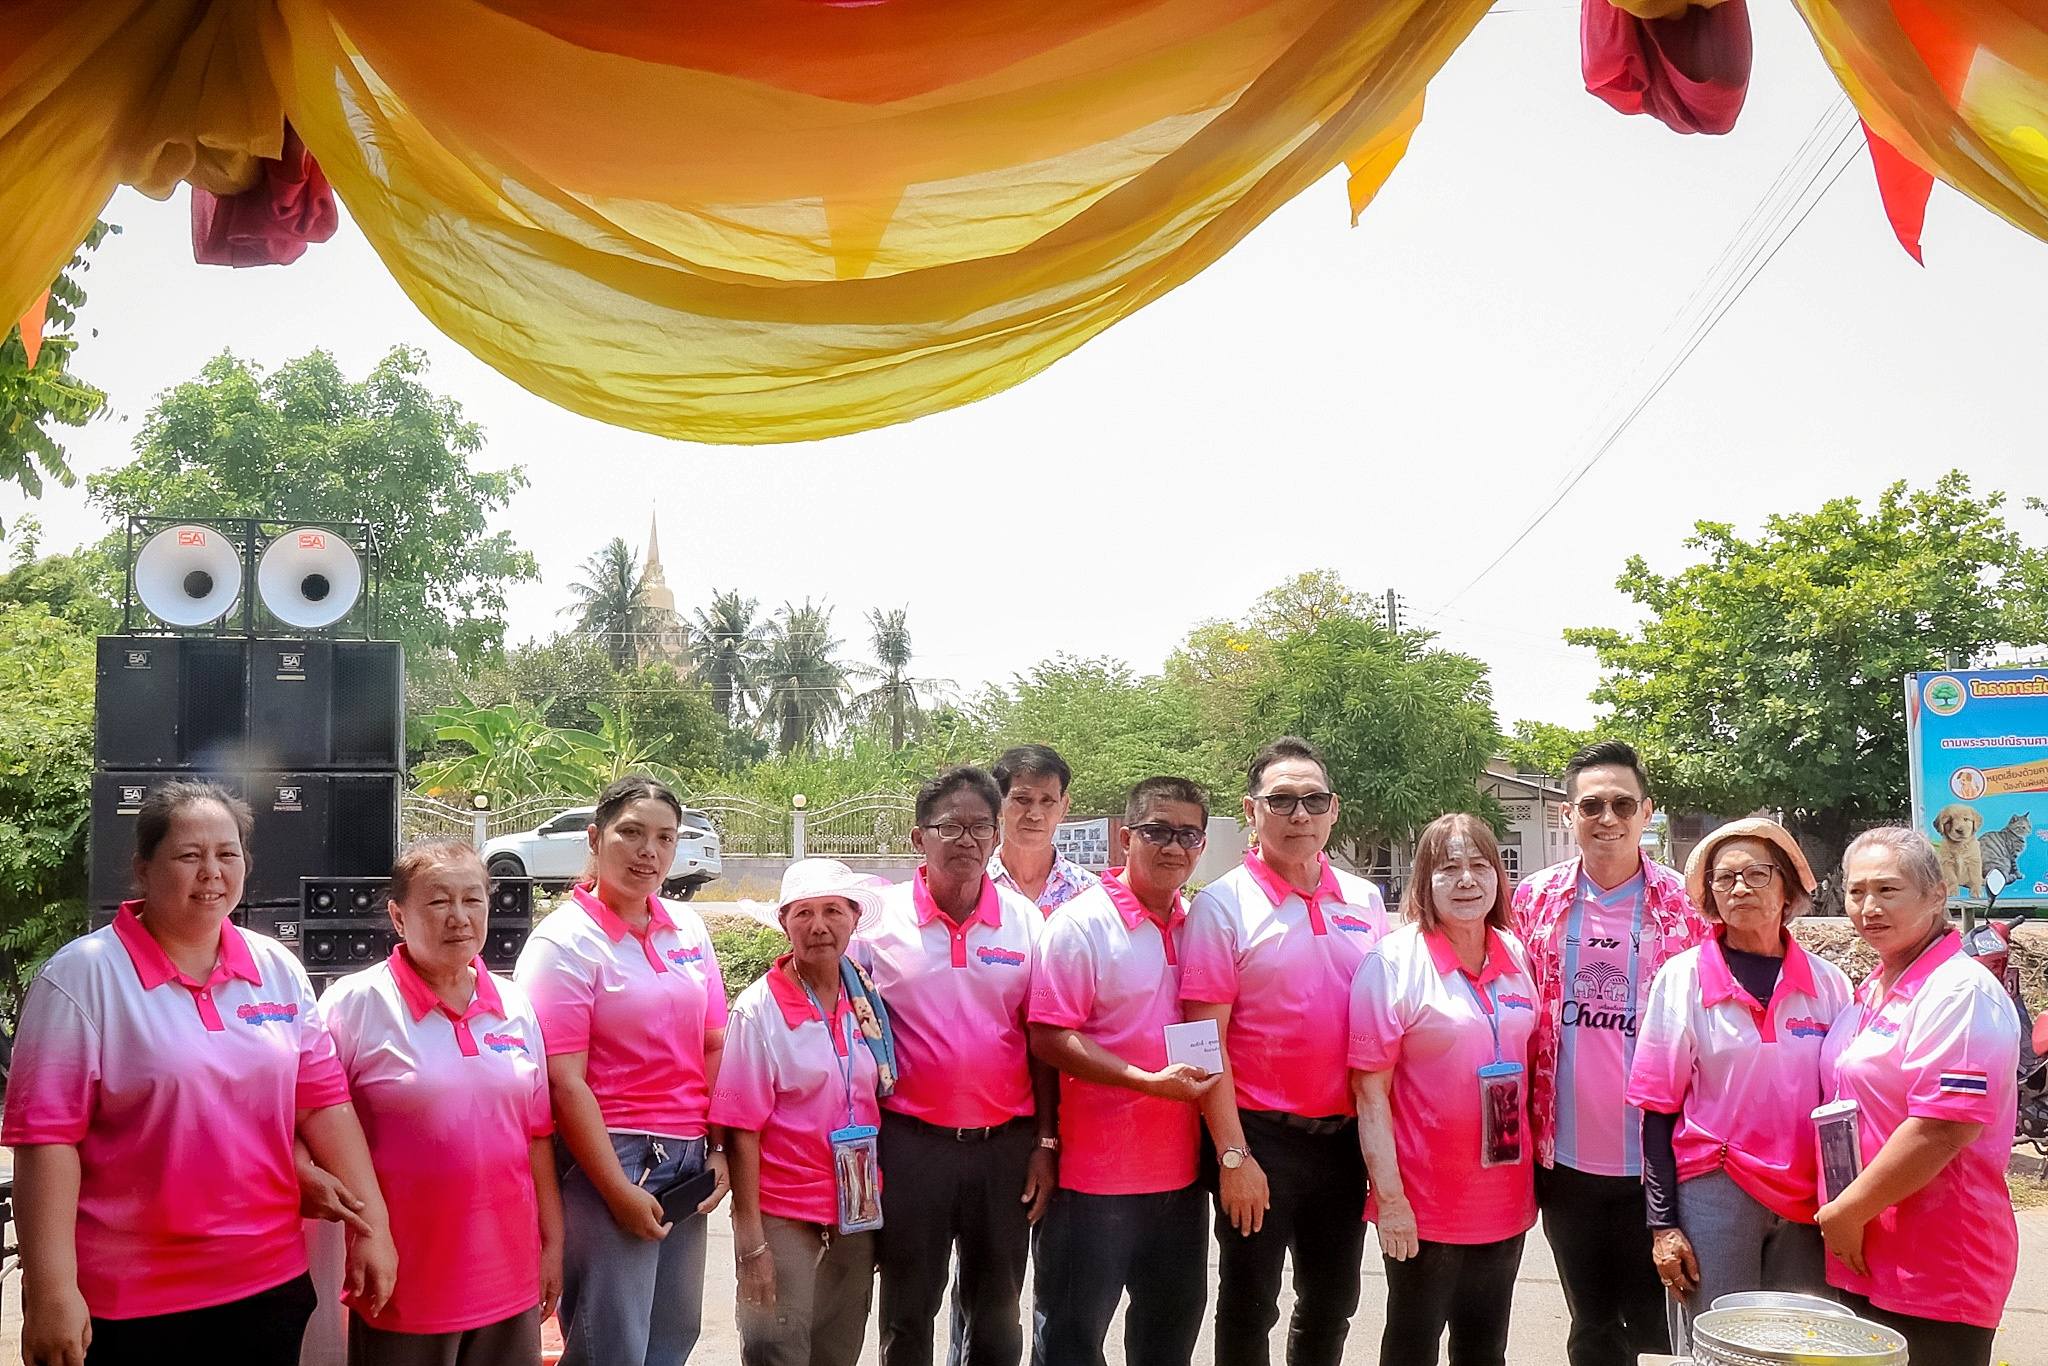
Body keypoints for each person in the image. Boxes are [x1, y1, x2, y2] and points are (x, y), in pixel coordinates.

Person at [6, 780, 396, 1366]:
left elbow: (323, 1105)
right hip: (130, 1299)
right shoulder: (82, 978)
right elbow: (47, 1143)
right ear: (142, 867)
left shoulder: (277, 968)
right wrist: (52, 1289)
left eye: (227, 853)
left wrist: (375, 1226)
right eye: (189, 855)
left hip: (268, 1283)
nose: (211, 872)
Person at [1179, 736, 1389, 1366]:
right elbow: (1200, 1043)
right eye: (1282, 800)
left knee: (1332, 1302)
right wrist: (1232, 1155)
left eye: (1313, 800)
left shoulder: (1365, 900)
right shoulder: (1220, 905)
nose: (1300, 814)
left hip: (1344, 1142)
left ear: (1333, 809)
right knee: (1249, 1305)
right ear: (1252, 810)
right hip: (1258, 1139)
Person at [319, 839, 563, 1365]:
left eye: (473, 900)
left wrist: (553, 1244)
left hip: (507, 1274)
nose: (459, 917)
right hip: (402, 1276)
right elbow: (313, 1125)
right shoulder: (354, 1005)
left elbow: (536, 1137)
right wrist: (366, 1233)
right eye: (438, 901)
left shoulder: (514, 1005)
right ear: (398, 916)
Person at [515, 776, 730, 1366]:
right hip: (610, 1155)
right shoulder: (564, 942)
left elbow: (714, 1044)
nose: (648, 852)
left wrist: (719, 1148)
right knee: (611, 1344)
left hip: (687, 1157)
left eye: (665, 838)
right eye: (631, 833)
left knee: (673, 1334)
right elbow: (563, 1080)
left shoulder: (689, 928)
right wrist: (614, 1188)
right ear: (595, 838)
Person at [1510, 740, 1708, 1366]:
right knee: (1592, 1326)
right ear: (1568, 814)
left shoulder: (1690, 904)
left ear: (1647, 811)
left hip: (1665, 1157)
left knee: (1665, 1329)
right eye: (1591, 805)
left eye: (1623, 804)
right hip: (1566, 1160)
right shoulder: (1533, 901)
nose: (1608, 818)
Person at [1626, 818, 1852, 1342]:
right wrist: (1662, 1226)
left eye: (1756, 874)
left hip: (1809, 1200)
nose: (1740, 888)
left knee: (1801, 1345)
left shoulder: (1830, 985)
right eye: (1725, 879)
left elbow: (1844, 1108)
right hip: (1715, 1189)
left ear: (1788, 888)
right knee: (1719, 1343)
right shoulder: (1681, 979)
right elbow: (1657, 1110)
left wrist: (1847, 1205)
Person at [860, 766, 1054, 1366]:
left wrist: (1045, 1141)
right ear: (919, 836)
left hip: (1004, 1148)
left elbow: (1043, 1042)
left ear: (996, 835)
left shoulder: (1025, 921)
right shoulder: (877, 923)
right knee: (907, 1313)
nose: (967, 840)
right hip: (911, 1147)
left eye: (980, 827)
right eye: (951, 827)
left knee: (996, 1316)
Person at [1028, 777, 1218, 1366]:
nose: (1173, 846)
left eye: (1188, 835)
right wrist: (1144, 1082)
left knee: (1167, 1344)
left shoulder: (1200, 924)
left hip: (1181, 1182)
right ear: (1125, 837)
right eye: (1157, 831)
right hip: (1093, 1183)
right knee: (1070, 1344)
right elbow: (1048, 1036)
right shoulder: (1081, 924)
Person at [1816, 827, 2020, 1366]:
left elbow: (1944, 1128)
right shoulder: (1874, 987)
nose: (1868, 907)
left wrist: (1845, 1215)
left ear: (1936, 895)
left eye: (1888, 889)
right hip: (1868, 1244)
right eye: (1856, 892)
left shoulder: (1959, 991)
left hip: (1936, 1259)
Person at [1349, 813, 1539, 1366]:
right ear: (1423, 880)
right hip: (1424, 1203)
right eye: (1448, 868)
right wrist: (1391, 1202)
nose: (1466, 880)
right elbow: (1370, 1096)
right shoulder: (1392, 963)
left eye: (1480, 865)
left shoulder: (1516, 954)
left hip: (1504, 1198)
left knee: (1485, 1347)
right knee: (1413, 1346)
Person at [714, 858, 897, 1366]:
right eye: (804, 913)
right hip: (784, 1216)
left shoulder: (866, 999)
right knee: (777, 1351)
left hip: (855, 1213)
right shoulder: (759, 1010)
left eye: (833, 911)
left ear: (854, 919)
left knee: (838, 1352)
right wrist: (751, 1245)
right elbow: (742, 1132)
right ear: (784, 923)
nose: (819, 926)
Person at [990, 744, 1100, 915]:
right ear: (997, 803)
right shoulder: (972, 889)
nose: (1035, 815)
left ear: (1064, 807)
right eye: (1022, 799)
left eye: (1047, 801)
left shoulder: (1092, 894)